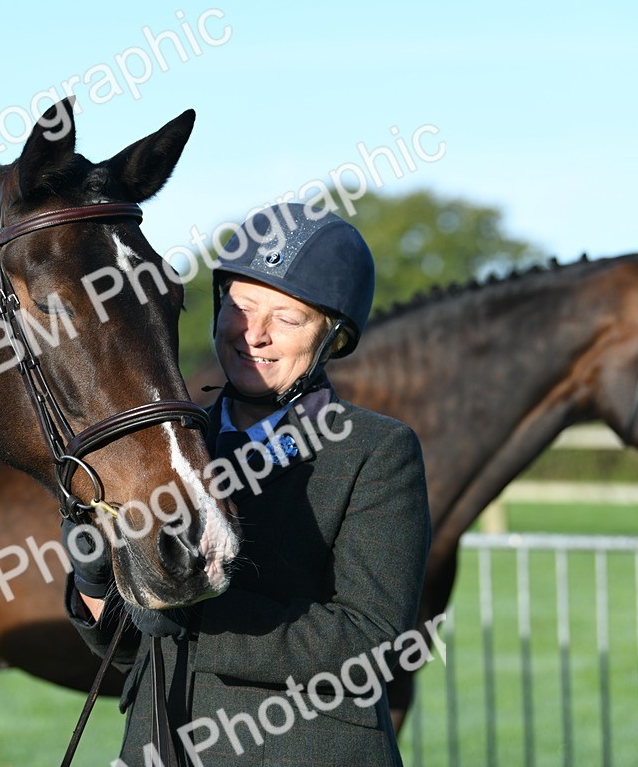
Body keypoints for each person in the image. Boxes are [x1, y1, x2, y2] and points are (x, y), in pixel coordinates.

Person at [64, 203, 431, 767]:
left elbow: (371, 639)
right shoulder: (172, 448)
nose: (253, 334)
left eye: (286, 319)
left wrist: (191, 612)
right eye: (240, 307)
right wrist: (96, 582)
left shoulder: (377, 450)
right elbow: (138, 649)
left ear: (332, 339)